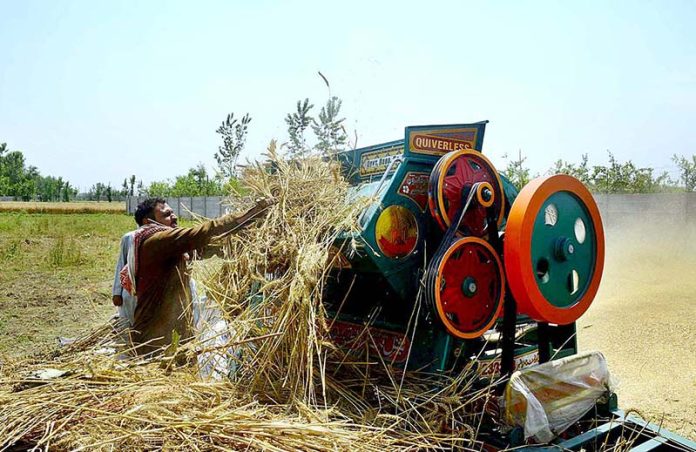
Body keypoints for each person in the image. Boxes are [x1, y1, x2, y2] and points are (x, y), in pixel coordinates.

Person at [120, 197, 272, 355]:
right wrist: (249, 215)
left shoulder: (171, 245)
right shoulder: (156, 241)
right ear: (148, 221)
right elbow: (202, 233)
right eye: (166, 215)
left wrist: (245, 242)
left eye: (172, 213)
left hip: (173, 333)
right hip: (153, 339)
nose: (174, 217)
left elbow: (203, 248)